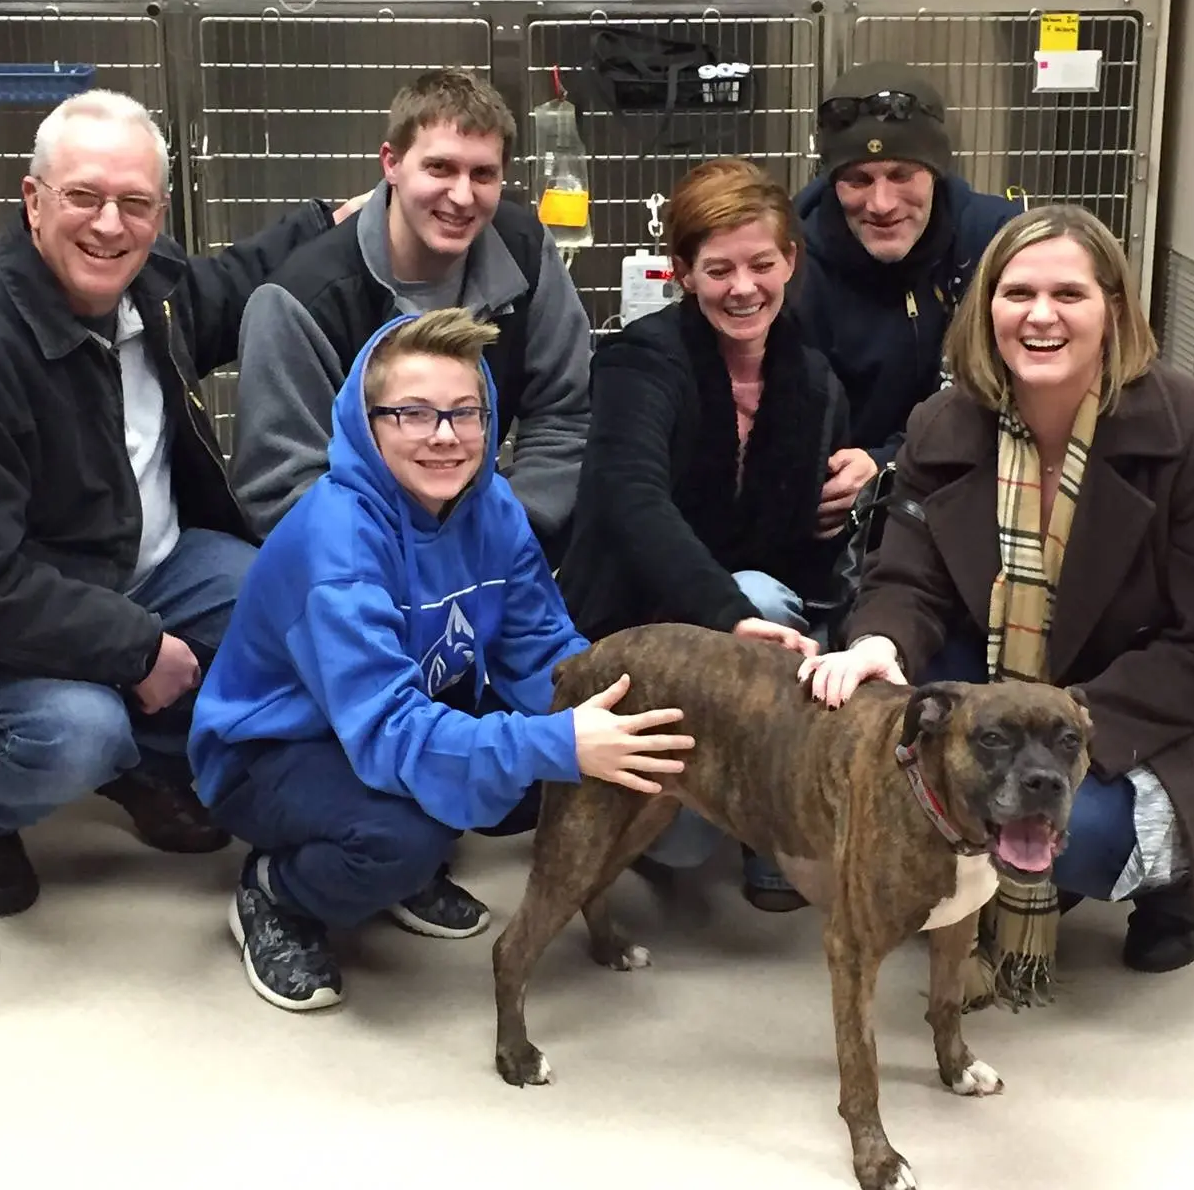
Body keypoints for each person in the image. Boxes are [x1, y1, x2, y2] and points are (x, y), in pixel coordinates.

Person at [0, 89, 368, 918]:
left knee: (286, 604)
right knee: (77, 732)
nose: (108, 226)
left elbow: (231, 283)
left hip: (140, 567)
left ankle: (142, 762)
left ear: (160, 213)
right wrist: (137, 649)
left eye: (134, 204)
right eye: (83, 197)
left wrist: (327, 221)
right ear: (32, 200)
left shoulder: (147, 290)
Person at [800, 204, 1194, 995]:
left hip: (1177, 694)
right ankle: (1006, 871)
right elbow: (909, 580)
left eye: (1069, 295)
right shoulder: (942, 423)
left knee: (1092, 835)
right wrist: (880, 645)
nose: (1041, 316)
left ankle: (1173, 889)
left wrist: (1064, 721)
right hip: (1027, 668)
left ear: (1113, 308)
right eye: (1017, 294)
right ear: (988, 311)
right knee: (936, 736)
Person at [188, 308, 691, 1011]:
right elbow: (387, 727)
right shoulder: (337, 540)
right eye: (414, 414)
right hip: (275, 747)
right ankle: (277, 893)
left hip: (404, 706)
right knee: (406, 835)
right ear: (369, 423)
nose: (447, 437)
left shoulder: (492, 506)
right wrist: (557, 742)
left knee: (542, 776)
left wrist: (623, 707)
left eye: (466, 412)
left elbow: (542, 649)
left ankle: (397, 863)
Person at [554, 158, 845, 913]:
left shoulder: (813, 380)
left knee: (792, 612)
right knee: (680, 844)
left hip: (755, 629)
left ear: (792, 262)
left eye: (761, 263)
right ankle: (747, 803)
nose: (743, 287)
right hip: (643, 621)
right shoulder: (641, 359)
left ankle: (769, 823)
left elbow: (810, 551)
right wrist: (728, 613)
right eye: (717, 269)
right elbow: (631, 496)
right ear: (682, 272)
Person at [229, 68, 592, 562]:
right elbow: (283, 490)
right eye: (440, 168)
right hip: (355, 564)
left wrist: (508, 528)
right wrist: (413, 560)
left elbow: (566, 416)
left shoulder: (527, 253)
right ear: (391, 163)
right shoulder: (298, 302)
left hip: (495, 544)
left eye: (483, 174)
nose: (463, 196)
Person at [794, 62, 1022, 489]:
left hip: (969, 478)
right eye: (857, 179)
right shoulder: (793, 265)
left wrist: (889, 465)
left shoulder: (996, 243)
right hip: (837, 496)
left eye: (902, 175)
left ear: (935, 171)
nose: (882, 204)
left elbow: (1016, 396)